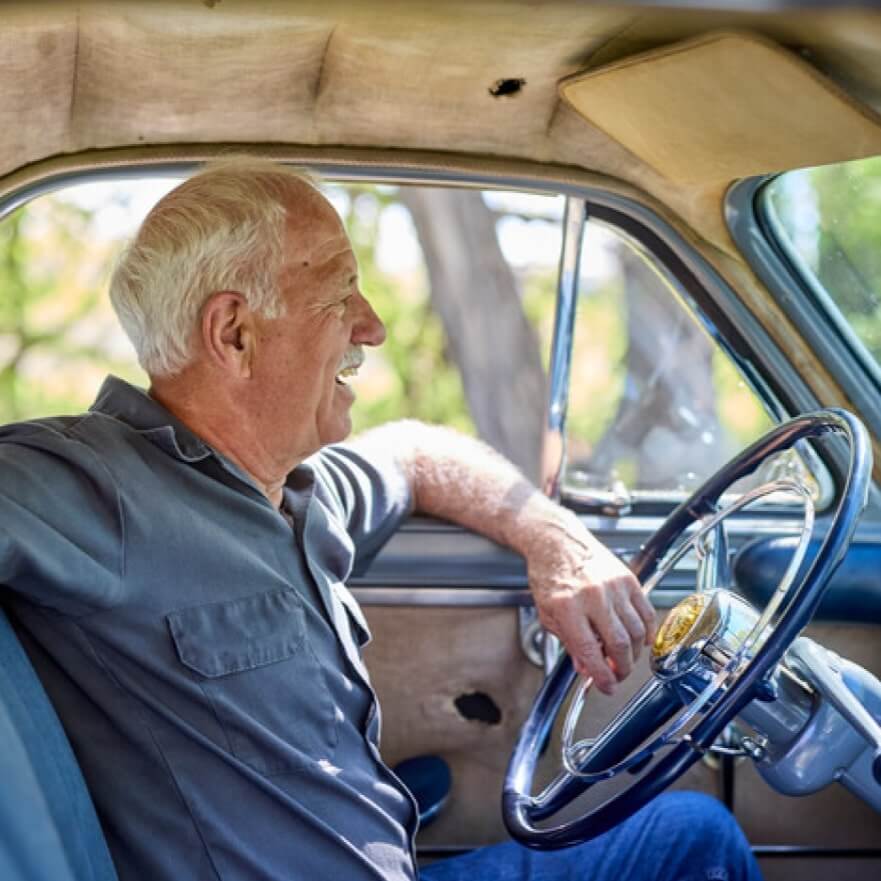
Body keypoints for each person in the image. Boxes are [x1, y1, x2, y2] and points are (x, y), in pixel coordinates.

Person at [0, 158, 762, 881]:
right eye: (339, 293)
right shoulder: (90, 484)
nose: (372, 326)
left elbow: (413, 451)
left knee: (693, 835)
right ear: (234, 333)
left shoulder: (298, 489)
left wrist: (554, 538)